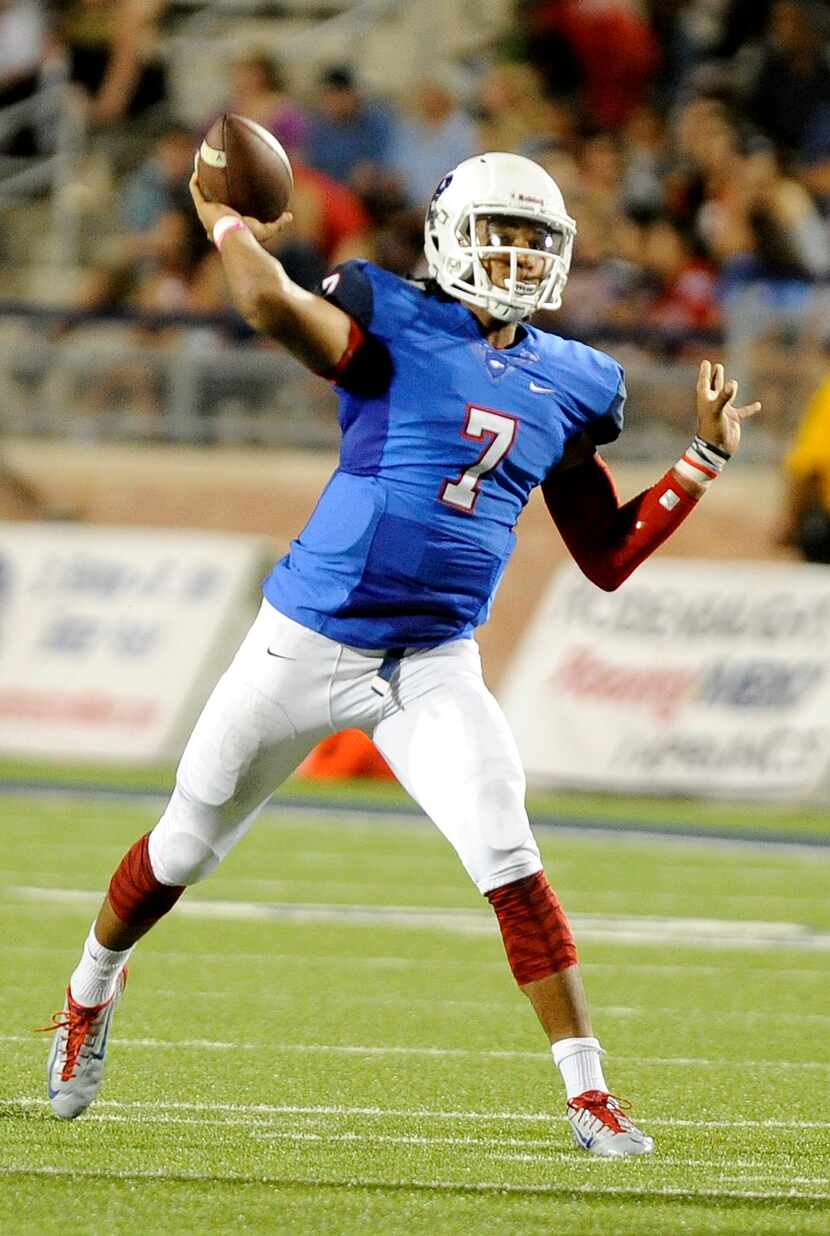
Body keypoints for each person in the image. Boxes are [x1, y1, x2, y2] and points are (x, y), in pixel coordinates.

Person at [41, 150, 760, 1157]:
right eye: (497, 234)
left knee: (508, 856)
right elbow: (272, 310)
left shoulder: (575, 378)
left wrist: (700, 462)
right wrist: (225, 225)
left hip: (430, 662)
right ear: (446, 238)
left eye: (533, 240)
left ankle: (587, 1095)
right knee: (182, 847)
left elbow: (602, 557)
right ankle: (88, 993)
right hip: (302, 640)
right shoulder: (391, 315)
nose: (514, 258)